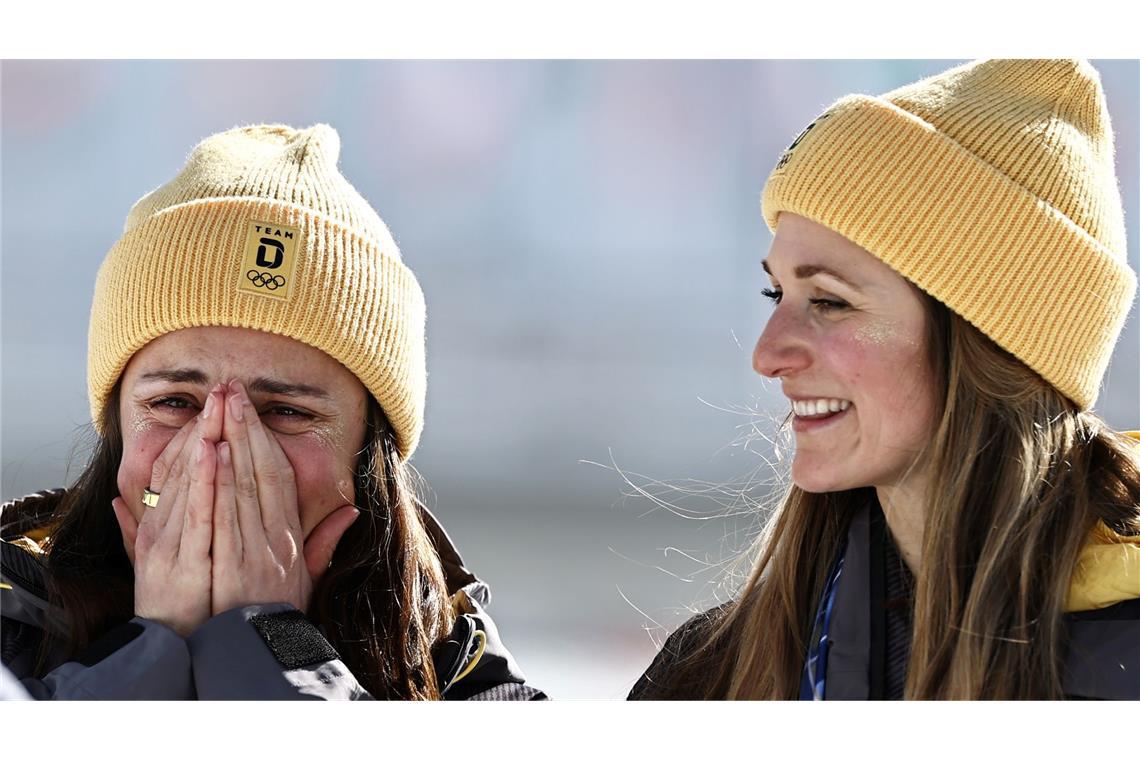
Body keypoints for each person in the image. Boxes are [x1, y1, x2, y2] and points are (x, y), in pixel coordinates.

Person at [629, 59, 1140, 700]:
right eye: (776, 292)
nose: (768, 355)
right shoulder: (721, 670)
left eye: (830, 301)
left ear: (989, 344)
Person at [1, 123, 544, 700]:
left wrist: (268, 645)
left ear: (367, 452)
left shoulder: (461, 666)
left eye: (286, 411)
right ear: (115, 424)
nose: (222, 452)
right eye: (175, 403)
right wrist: (156, 647)